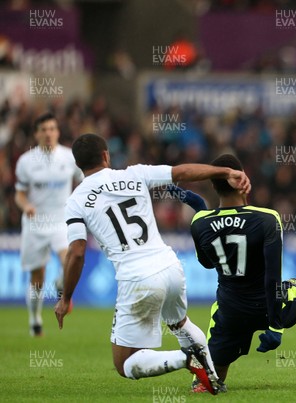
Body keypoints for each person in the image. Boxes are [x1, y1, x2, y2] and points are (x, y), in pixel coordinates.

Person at [54, 133, 250, 394]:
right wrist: (225, 171)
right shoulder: (136, 173)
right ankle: (212, 377)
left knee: (124, 364)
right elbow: (182, 172)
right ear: (105, 156)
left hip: (138, 278)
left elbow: (77, 252)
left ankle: (187, 359)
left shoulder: (76, 200)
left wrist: (66, 297)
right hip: (169, 266)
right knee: (180, 323)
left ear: (78, 165)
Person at [183, 154, 296, 390]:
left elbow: (207, 263)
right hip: (267, 308)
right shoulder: (267, 218)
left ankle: (206, 375)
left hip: (231, 313)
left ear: (213, 185)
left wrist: (202, 215)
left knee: (212, 381)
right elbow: (273, 277)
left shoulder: (200, 222)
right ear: (241, 180)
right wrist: (276, 325)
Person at [15, 112, 83, 337]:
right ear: (36, 134)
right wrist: (26, 207)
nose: (48, 133)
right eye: (43, 129)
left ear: (58, 132)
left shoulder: (69, 157)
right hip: (35, 223)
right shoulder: (26, 162)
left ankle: (61, 285)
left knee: (69, 259)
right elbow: (20, 195)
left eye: (52, 129)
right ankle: (35, 320)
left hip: (61, 220)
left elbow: (85, 182)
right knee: (37, 277)